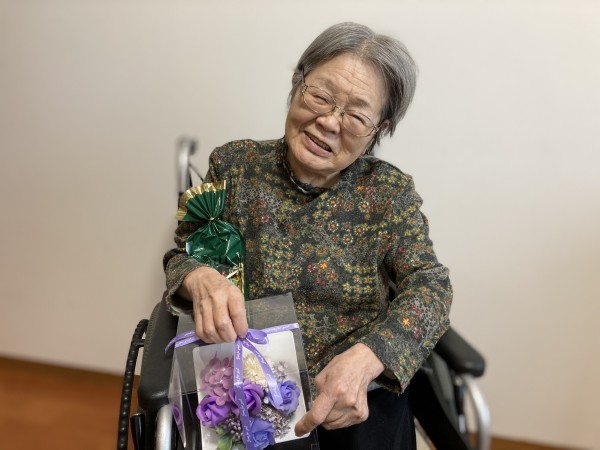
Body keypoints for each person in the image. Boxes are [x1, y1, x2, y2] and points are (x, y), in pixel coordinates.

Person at [163, 22, 452, 450]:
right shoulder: (235, 166)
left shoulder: (388, 194)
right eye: (320, 96)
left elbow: (431, 286)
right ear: (297, 83)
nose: (329, 122)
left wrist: (370, 357)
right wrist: (199, 278)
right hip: (247, 396)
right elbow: (181, 255)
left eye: (357, 116)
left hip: (353, 401)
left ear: (379, 129)